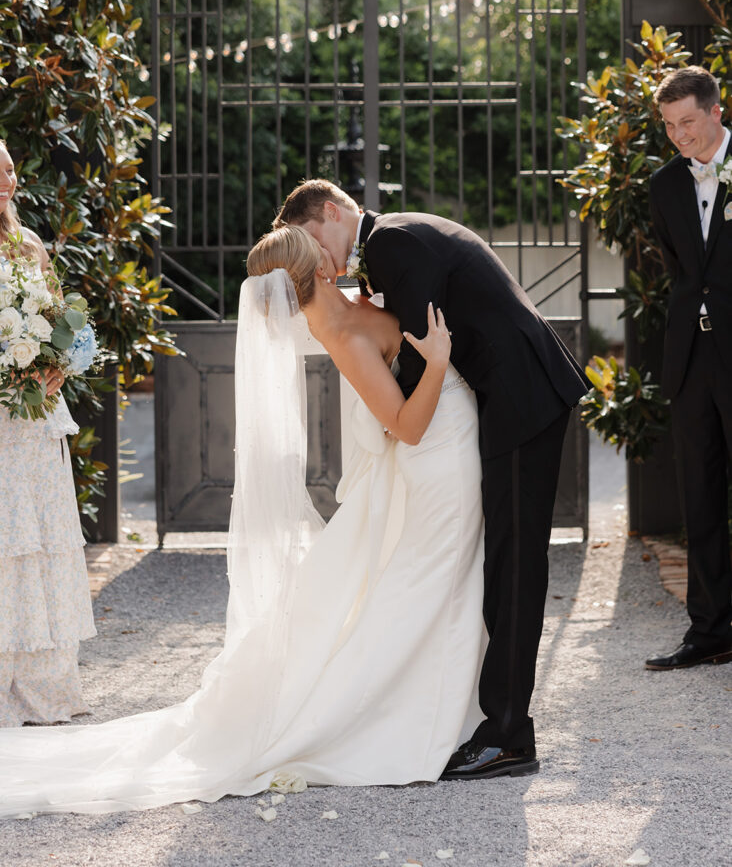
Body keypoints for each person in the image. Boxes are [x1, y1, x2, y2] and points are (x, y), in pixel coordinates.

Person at [0, 225, 487, 817]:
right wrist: (437, 362)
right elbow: (405, 426)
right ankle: (419, 715)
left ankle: (448, 706)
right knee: (430, 587)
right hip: (436, 457)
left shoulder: (350, 307)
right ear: (322, 273)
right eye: (329, 254)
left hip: (447, 451)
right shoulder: (342, 333)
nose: (341, 257)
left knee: (435, 587)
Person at [274, 180, 589, 779]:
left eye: (314, 239)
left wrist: (388, 402)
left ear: (333, 213)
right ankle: (494, 718)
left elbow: (418, 350)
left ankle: (509, 736)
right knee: (504, 562)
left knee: (515, 565)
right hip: (506, 400)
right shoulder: (388, 247)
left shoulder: (391, 243)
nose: (318, 259)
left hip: (521, 397)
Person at [0, 140, 96, 727]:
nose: (7, 179)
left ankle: (41, 683)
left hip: (34, 418)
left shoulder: (29, 245)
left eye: (9, 167)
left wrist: (56, 368)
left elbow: (64, 326)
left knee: (38, 539)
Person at [646, 66, 732, 671]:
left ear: (716, 111)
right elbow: (680, 269)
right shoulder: (663, 185)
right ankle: (710, 629)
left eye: (688, 122)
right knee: (698, 495)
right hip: (691, 357)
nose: (679, 136)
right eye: (670, 126)